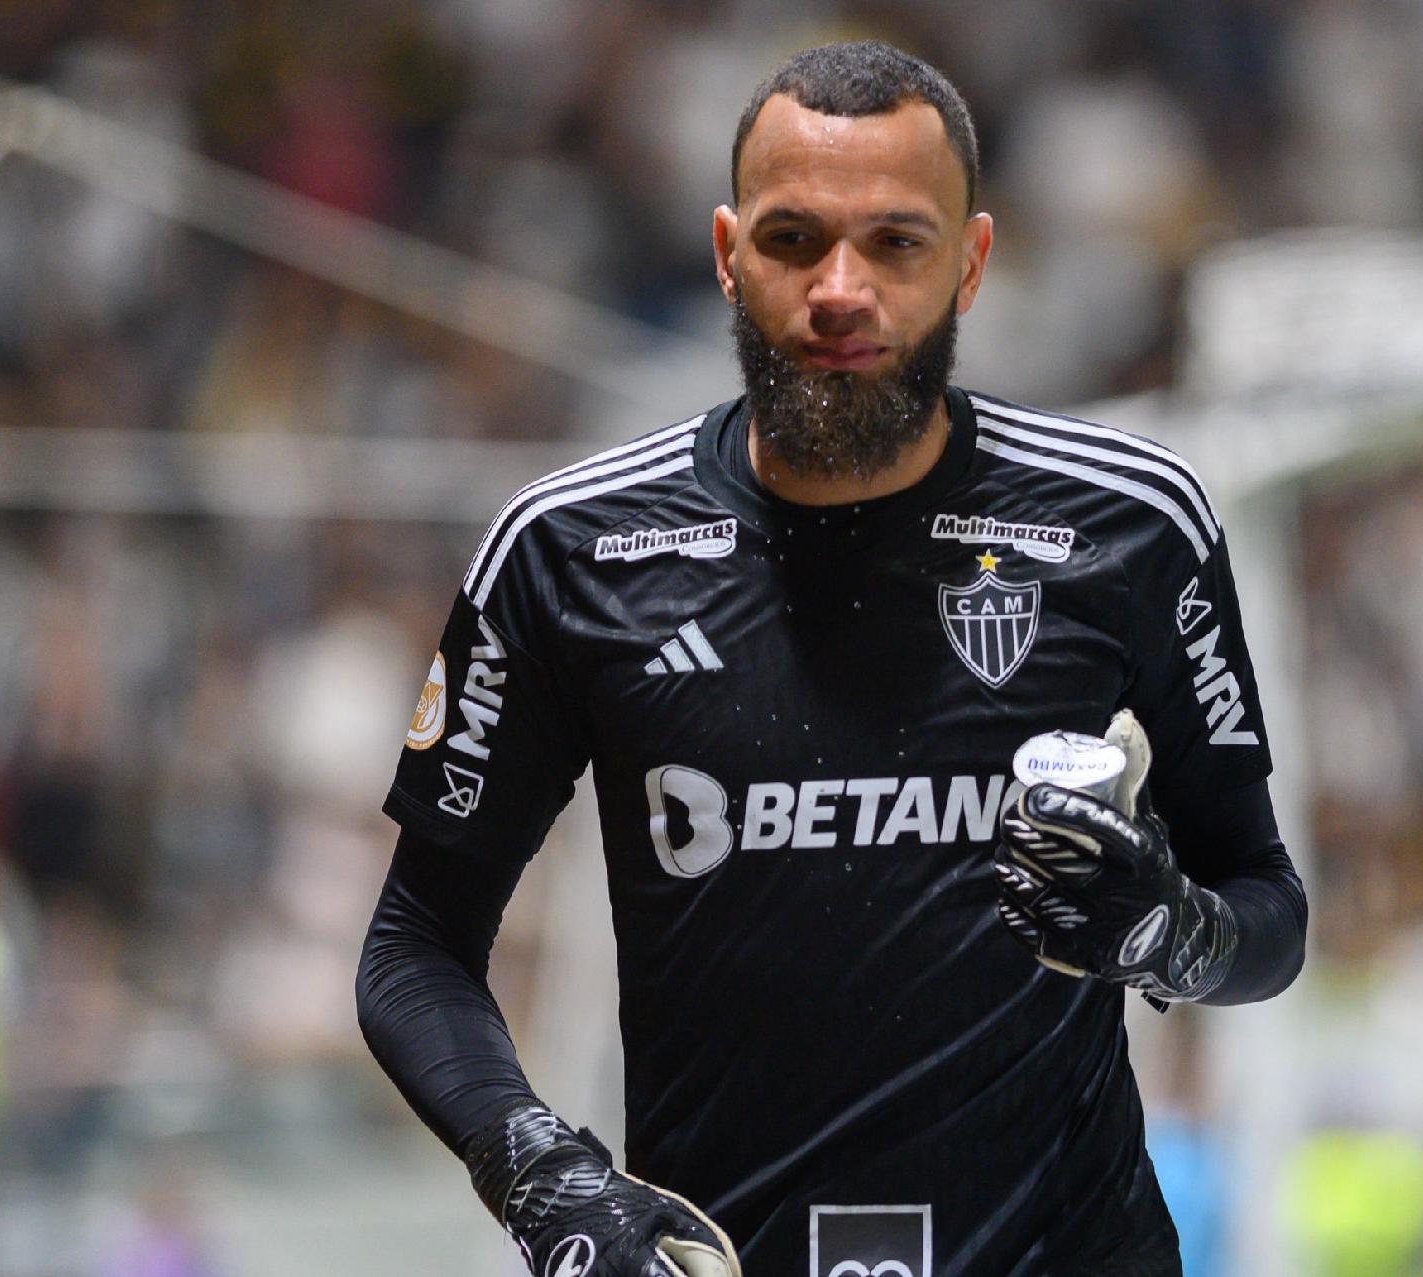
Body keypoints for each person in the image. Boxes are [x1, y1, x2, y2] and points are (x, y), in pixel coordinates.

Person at [357, 40, 1306, 1277]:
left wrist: (1167, 931)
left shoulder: (1130, 528)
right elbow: (413, 948)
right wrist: (543, 1173)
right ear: (725, 253)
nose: (840, 289)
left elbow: (1268, 912)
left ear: (969, 265)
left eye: (896, 243)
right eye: (794, 239)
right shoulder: (570, 549)